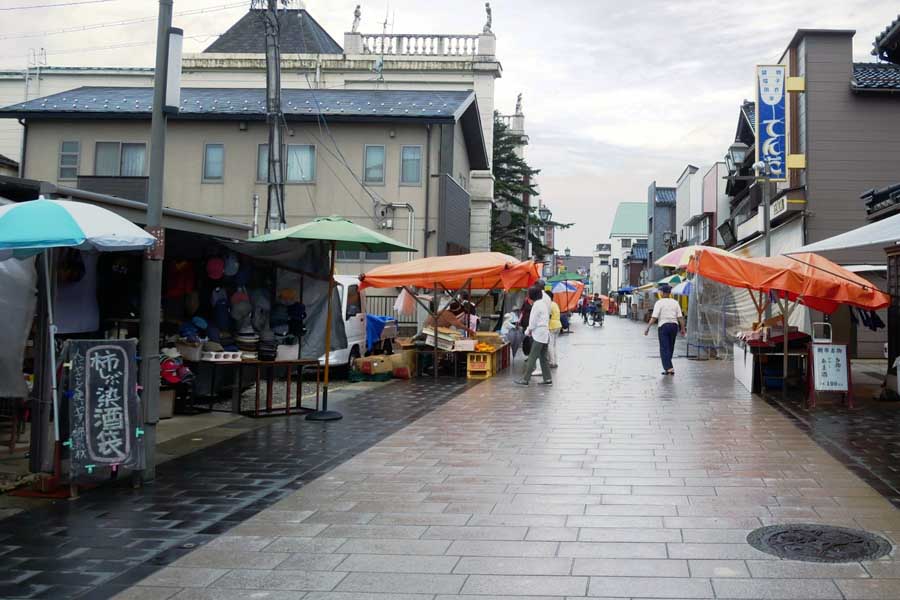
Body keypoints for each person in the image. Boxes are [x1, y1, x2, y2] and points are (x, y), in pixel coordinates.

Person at [644, 284, 685, 375]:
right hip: (674, 326)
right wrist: (682, 328)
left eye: (661, 291)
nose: (660, 293)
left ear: (663, 293)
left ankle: (669, 368)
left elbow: (654, 317)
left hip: (664, 326)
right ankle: (668, 366)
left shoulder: (659, 303)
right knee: (670, 346)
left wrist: (647, 328)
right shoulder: (675, 302)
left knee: (664, 347)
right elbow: (680, 317)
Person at [515, 286, 552, 385]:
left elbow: (532, 322)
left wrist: (527, 332)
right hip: (544, 333)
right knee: (543, 357)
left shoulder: (536, 305)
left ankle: (525, 379)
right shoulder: (543, 304)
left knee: (532, 357)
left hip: (539, 334)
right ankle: (548, 378)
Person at [548, 298, 562, 368]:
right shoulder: (555, 304)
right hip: (558, 325)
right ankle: (555, 361)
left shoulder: (549, 305)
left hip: (552, 326)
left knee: (550, 345)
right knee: (554, 345)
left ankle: (552, 362)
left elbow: (549, 316)